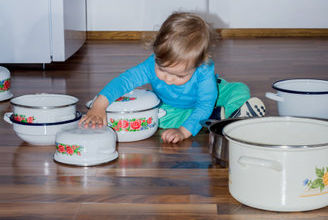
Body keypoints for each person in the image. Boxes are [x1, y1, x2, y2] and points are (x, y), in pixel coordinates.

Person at [80, 12, 265, 143]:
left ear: (200, 62)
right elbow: (123, 82)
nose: (168, 79)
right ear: (156, 52)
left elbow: (204, 103)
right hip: (173, 107)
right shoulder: (150, 65)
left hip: (210, 97)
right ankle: (218, 118)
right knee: (157, 118)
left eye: (179, 75)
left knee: (240, 89)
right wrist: (98, 106)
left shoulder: (204, 69)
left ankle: (227, 115)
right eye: (163, 70)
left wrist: (184, 132)